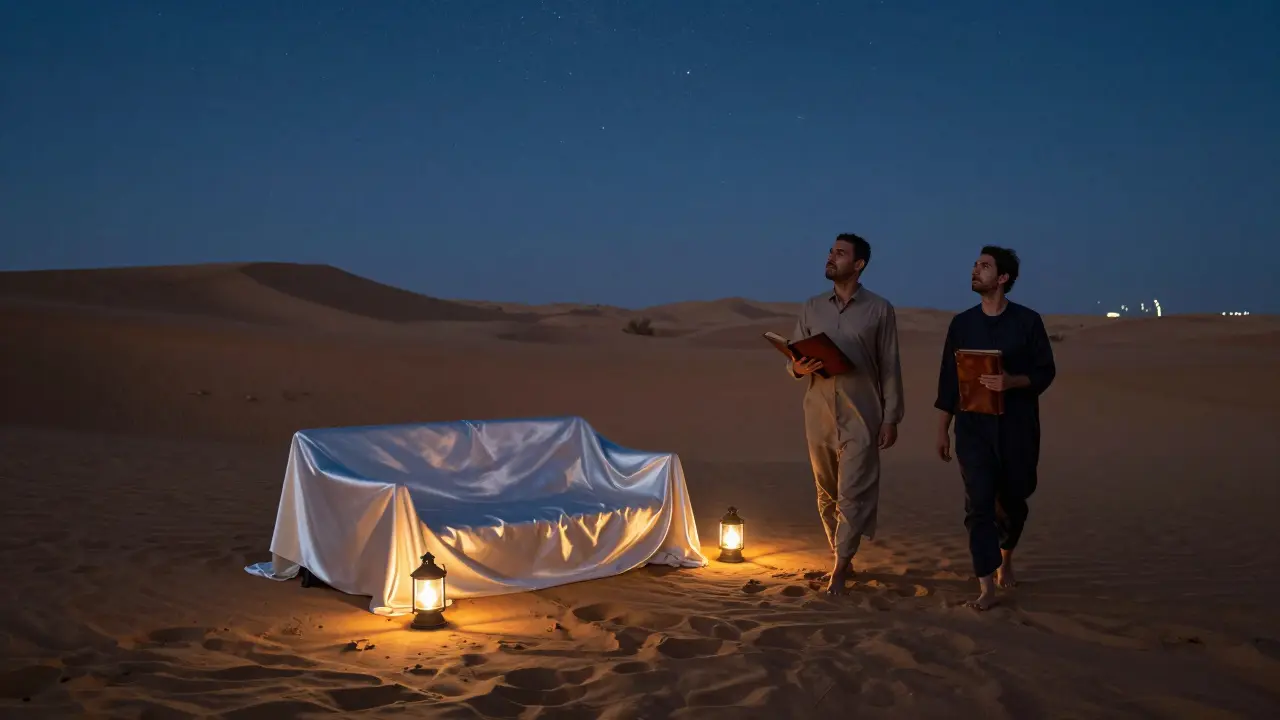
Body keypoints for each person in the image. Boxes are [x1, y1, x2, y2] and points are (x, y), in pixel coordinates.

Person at [933, 246, 1056, 611]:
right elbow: (948, 383)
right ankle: (986, 584)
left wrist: (1012, 382)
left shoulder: (1028, 322)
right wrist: (942, 429)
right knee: (979, 505)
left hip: (1018, 430)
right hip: (973, 429)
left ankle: (1006, 555)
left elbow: (1046, 372)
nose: (975, 270)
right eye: (975, 264)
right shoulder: (961, 324)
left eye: (984, 266)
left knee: (1014, 501)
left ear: (1002, 278)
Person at [787, 233, 905, 595]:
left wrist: (891, 417)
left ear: (858, 264)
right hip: (818, 413)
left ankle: (839, 568)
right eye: (830, 252)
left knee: (853, 492)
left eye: (840, 254)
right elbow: (793, 360)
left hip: (863, 413)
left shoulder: (879, 309)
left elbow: (889, 366)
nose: (830, 257)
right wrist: (798, 367)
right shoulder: (810, 306)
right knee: (827, 494)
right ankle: (843, 557)